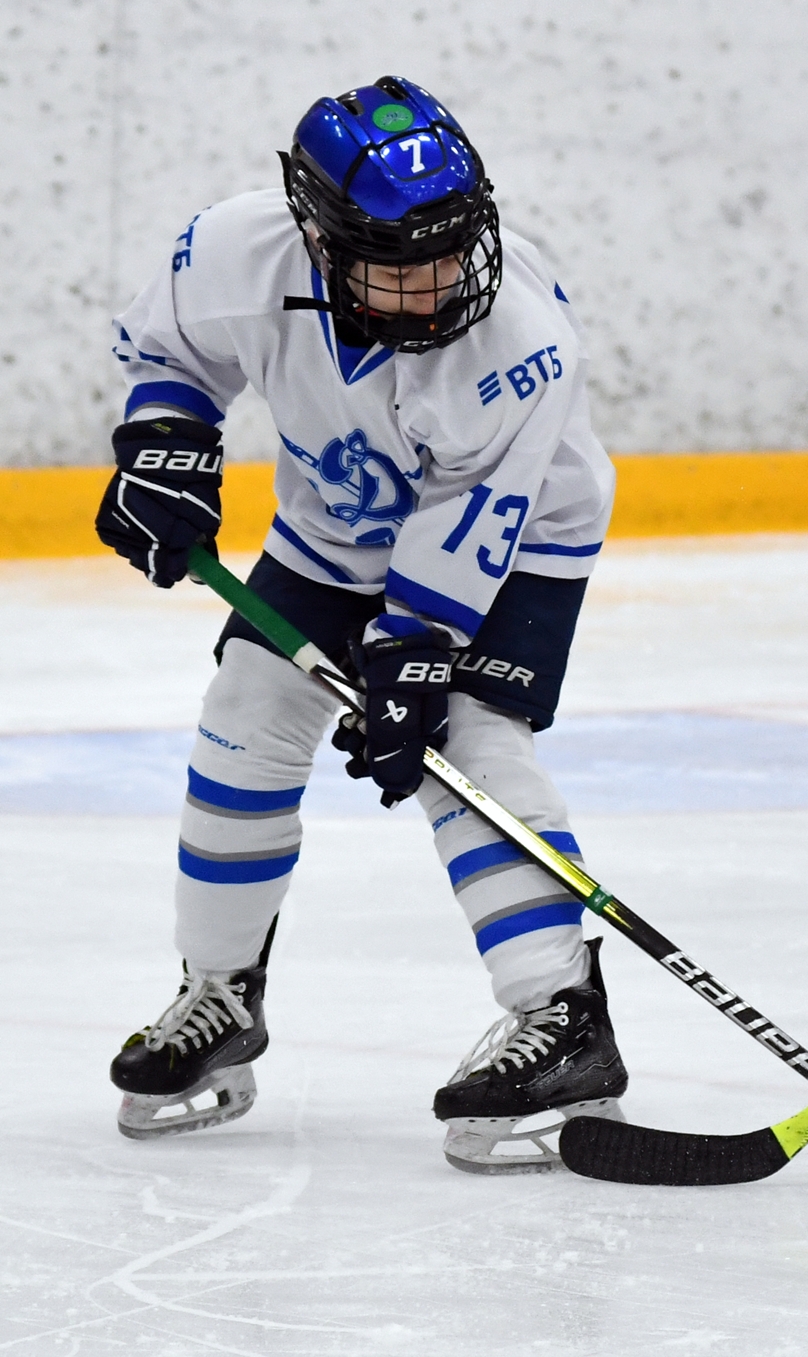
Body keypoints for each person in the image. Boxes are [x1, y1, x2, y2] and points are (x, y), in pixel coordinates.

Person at [97, 77, 627, 1174]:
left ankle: (563, 1014)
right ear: (317, 238)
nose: (438, 281)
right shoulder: (235, 255)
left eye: (452, 247)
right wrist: (165, 447)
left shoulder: (521, 345)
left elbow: (474, 517)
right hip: (335, 530)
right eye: (400, 259)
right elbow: (173, 354)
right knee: (246, 706)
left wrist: (416, 654)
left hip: (520, 532)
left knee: (464, 740)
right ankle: (218, 994)